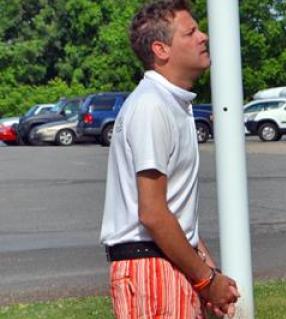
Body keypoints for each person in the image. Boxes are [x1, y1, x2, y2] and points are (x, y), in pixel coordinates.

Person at [100, 1, 240, 318]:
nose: (203, 36)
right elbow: (153, 213)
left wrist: (207, 270)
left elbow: (176, 211)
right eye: (191, 32)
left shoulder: (172, 104)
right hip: (151, 268)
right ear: (161, 49)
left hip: (168, 263)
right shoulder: (152, 106)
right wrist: (206, 280)